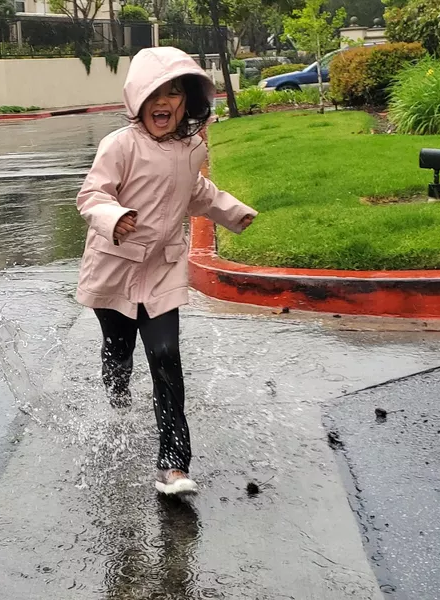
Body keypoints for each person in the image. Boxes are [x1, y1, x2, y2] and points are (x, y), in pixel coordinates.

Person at [75, 47, 257, 495]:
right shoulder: (119, 145)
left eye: (174, 91)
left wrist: (230, 211)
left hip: (161, 271)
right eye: (155, 91)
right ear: (138, 98)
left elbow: (194, 191)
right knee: (119, 353)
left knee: (164, 357)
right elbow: (91, 195)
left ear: (187, 100)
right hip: (115, 268)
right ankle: (117, 392)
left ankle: (174, 464)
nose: (164, 100)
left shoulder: (192, 147)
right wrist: (114, 216)